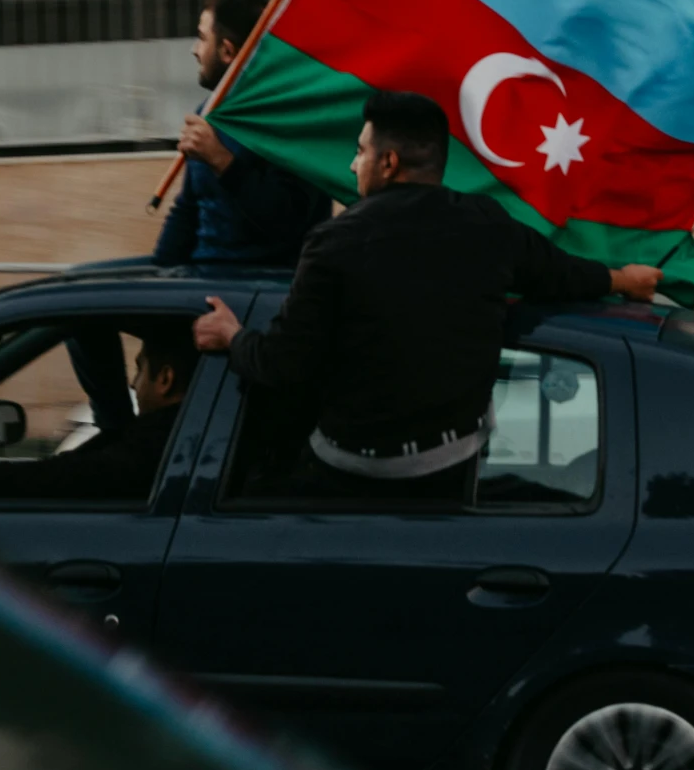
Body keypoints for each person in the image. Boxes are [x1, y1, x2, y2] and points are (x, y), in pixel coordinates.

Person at [192, 90, 661, 494]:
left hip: (351, 477)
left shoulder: (332, 243)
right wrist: (626, 281)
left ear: (388, 162)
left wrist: (231, 336)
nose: (353, 164)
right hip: (456, 467)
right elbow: (563, 275)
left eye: (359, 151)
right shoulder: (487, 225)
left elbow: (283, 364)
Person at [155, 0, 331, 269]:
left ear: (227, 50)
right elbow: (187, 209)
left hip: (256, 283)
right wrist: (157, 279)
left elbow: (288, 223)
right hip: (201, 272)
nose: (195, 50)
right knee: (86, 280)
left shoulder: (290, 119)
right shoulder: (208, 112)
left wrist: (221, 160)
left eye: (202, 38)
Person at [0, 332, 196, 501]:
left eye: (140, 370)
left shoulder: (164, 441)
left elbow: (85, 474)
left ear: (166, 379)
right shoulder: (178, 434)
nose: (133, 384)